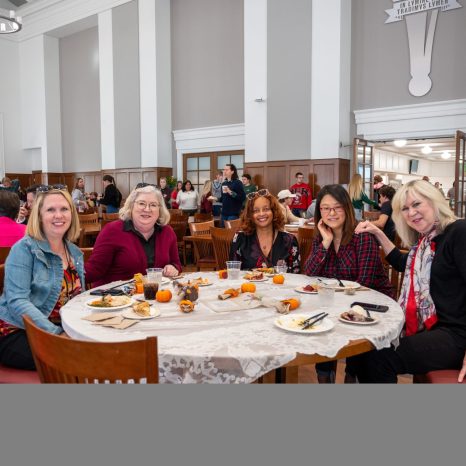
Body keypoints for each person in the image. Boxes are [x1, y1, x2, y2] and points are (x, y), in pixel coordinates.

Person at [352, 180, 466, 383]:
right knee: (365, 350)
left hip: (457, 335)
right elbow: (402, 262)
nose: (411, 212)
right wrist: (378, 232)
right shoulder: (426, 242)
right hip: (435, 329)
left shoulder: (458, 231)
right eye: (405, 208)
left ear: (434, 202)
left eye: (416, 204)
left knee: (378, 358)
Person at [304, 184, 394, 383]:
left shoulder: (362, 236)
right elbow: (309, 274)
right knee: (321, 326)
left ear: (347, 207)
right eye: (325, 208)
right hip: (338, 304)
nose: (331, 213)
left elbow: (365, 284)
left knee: (327, 321)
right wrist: (326, 241)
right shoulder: (321, 237)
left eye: (337, 207)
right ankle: (326, 375)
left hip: (373, 307)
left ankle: (351, 374)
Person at [0, 186, 84, 369]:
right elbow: (17, 301)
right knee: (81, 358)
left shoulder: (74, 252)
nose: (58, 215)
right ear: (39, 216)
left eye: (64, 209)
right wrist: (55, 334)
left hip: (61, 327)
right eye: (50, 210)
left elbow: (78, 301)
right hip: (17, 330)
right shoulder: (23, 249)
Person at [85, 185, 182, 287]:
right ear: (131, 206)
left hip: (155, 298)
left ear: (160, 209)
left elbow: (176, 263)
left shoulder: (167, 232)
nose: (147, 209)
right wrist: (70, 275)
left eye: (153, 205)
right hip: (116, 298)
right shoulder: (112, 231)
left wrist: (173, 267)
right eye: (141, 203)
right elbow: (95, 270)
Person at [230, 189, 300, 272]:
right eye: (256, 210)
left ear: (274, 211)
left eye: (266, 209)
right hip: (248, 285)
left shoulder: (290, 240)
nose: (261, 214)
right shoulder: (239, 238)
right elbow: (233, 273)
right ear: (250, 215)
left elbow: (296, 275)